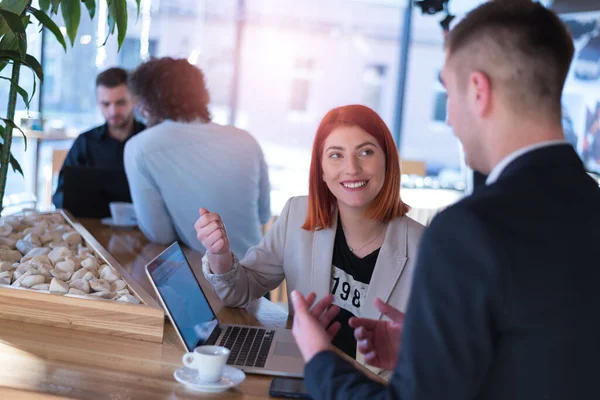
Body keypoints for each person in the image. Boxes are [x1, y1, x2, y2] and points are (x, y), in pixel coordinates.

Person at [291, 1, 600, 399]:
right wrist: (431, 351)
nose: (450, 118)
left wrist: (317, 355)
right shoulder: (589, 202)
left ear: (477, 91)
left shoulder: (470, 229)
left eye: (447, 92)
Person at [196, 104, 425, 361]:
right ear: (322, 171)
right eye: (336, 155)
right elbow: (237, 293)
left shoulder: (426, 249)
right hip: (305, 371)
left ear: (388, 162)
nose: (352, 168)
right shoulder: (297, 214)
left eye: (366, 152)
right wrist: (219, 254)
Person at [124, 57, 271, 257]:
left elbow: (160, 235)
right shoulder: (246, 139)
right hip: (258, 275)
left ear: (147, 103)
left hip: (206, 280)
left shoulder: (140, 148)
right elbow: (263, 215)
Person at [53, 67, 145, 208]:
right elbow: (60, 195)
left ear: (134, 100)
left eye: (120, 103)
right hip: (90, 225)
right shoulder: (85, 142)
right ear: (97, 102)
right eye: (106, 104)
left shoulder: (149, 141)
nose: (113, 111)